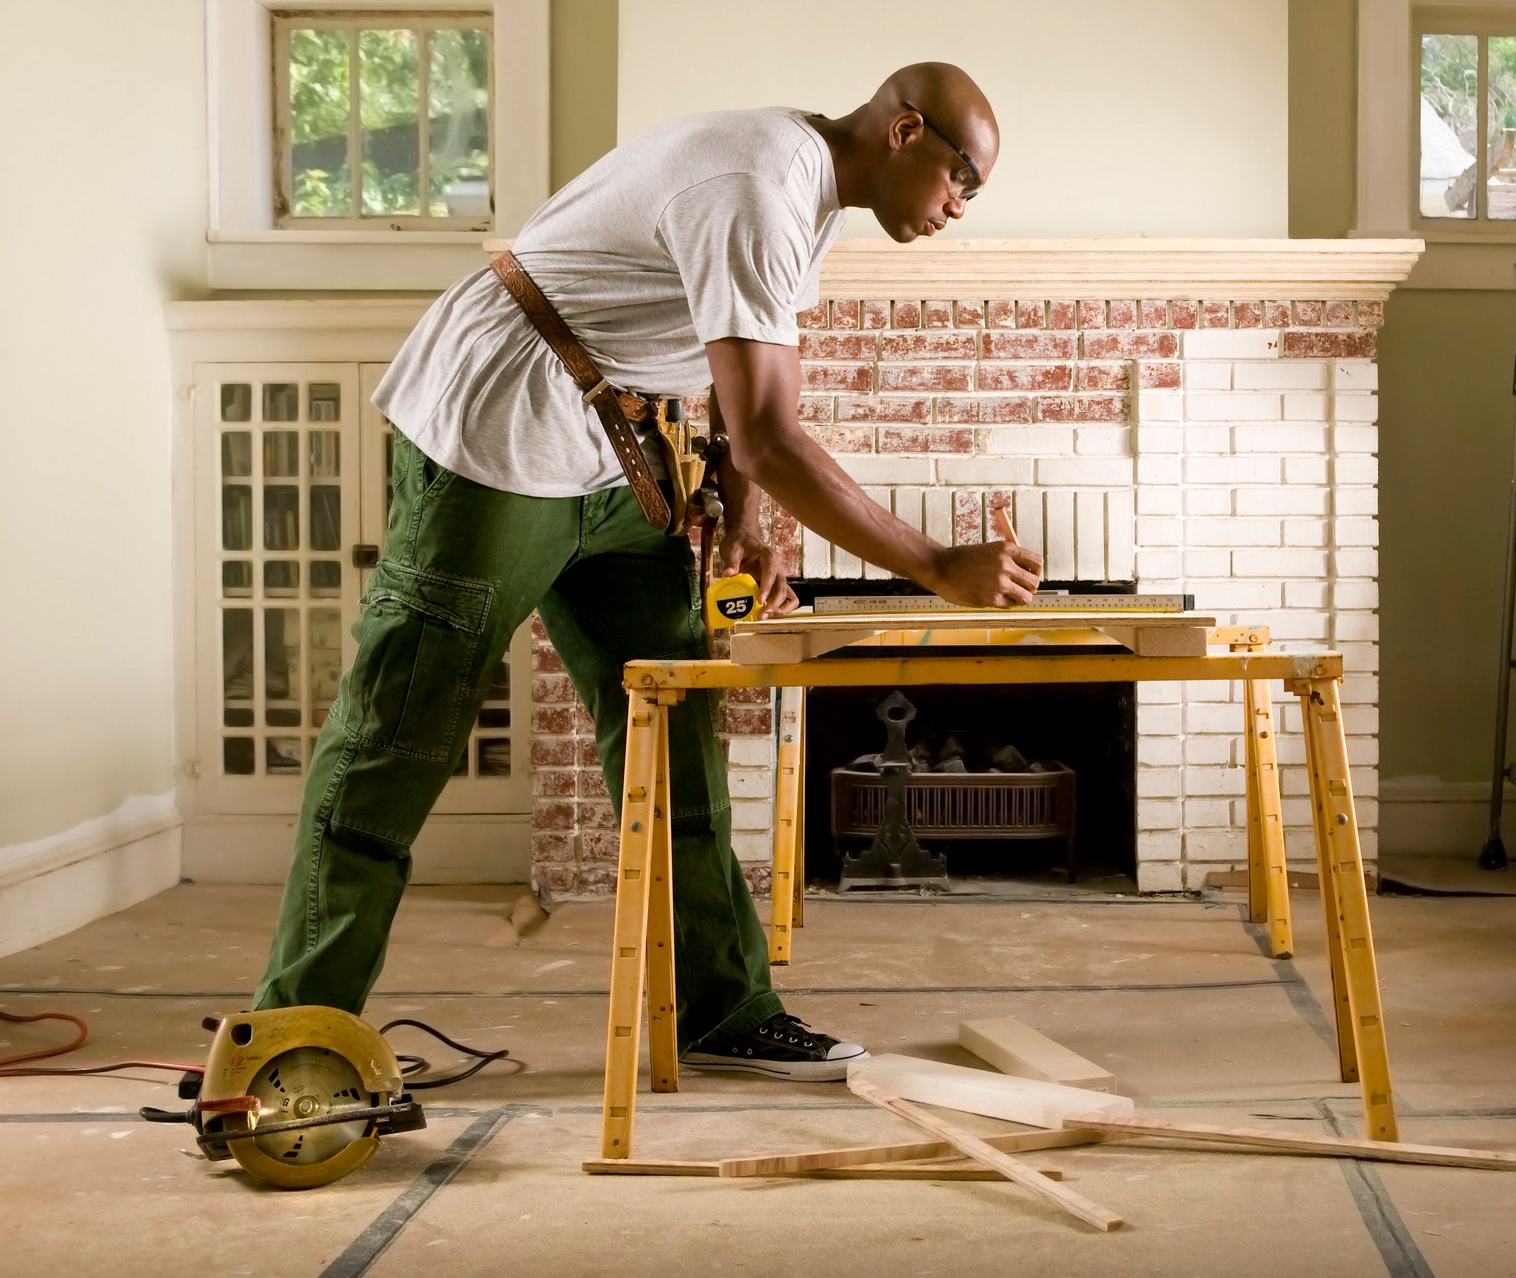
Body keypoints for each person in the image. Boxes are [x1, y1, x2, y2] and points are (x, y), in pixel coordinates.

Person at [252, 62, 1044, 1080]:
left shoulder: (808, 196)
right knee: (397, 732)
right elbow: (766, 432)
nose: (957, 205)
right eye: (959, 178)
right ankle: (289, 1042)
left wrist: (750, 526)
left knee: (672, 719)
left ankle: (720, 1006)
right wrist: (935, 562)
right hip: (495, 429)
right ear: (903, 132)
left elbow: (733, 391)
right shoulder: (756, 183)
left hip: (610, 447)